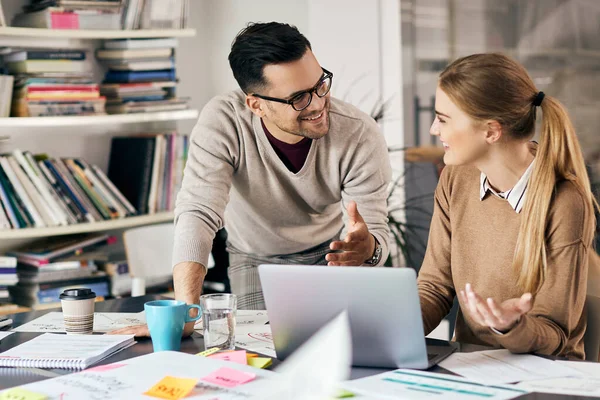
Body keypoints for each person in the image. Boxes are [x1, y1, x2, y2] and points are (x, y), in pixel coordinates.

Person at [111, 22, 391, 337]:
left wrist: (368, 250)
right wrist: (185, 311)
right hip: (254, 257)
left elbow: (375, 233)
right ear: (255, 104)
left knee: (342, 348)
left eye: (320, 85)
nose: (317, 104)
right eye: (299, 98)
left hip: (331, 254)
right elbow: (198, 211)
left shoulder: (358, 133)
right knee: (255, 352)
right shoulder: (224, 121)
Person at [418, 52, 598, 359]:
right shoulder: (455, 179)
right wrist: (384, 325)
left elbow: (555, 334)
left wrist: (511, 326)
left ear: (491, 130)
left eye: (444, 119)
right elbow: (435, 287)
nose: (434, 130)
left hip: (546, 377)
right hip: (470, 369)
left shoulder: (565, 201)